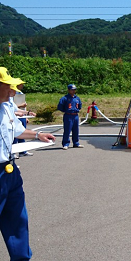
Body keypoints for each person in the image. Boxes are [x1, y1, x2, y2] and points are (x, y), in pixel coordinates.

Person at [0, 67, 56, 260]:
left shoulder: (7, 107)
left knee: (18, 221)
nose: (13, 92)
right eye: (8, 87)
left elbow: (17, 131)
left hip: (9, 171)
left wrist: (38, 135)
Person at [11, 82, 36, 158]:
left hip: (22, 116)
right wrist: (21, 106)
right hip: (15, 117)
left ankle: (23, 151)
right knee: (15, 134)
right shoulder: (11, 95)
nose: (22, 85)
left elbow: (21, 108)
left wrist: (27, 115)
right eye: (21, 84)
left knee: (22, 132)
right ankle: (13, 152)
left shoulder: (21, 93)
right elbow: (13, 107)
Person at [58, 84, 84, 150]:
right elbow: (60, 106)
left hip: (75, 115)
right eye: (72, 90)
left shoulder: (77, 98)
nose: (73, 91)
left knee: (76, 130)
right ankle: (65, 144)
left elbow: (80, 106)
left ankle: (76, 143)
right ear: (69, 90)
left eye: (74, 90)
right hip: (68, 115)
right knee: (67, 130)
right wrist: (66, 111)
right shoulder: (65, 98)